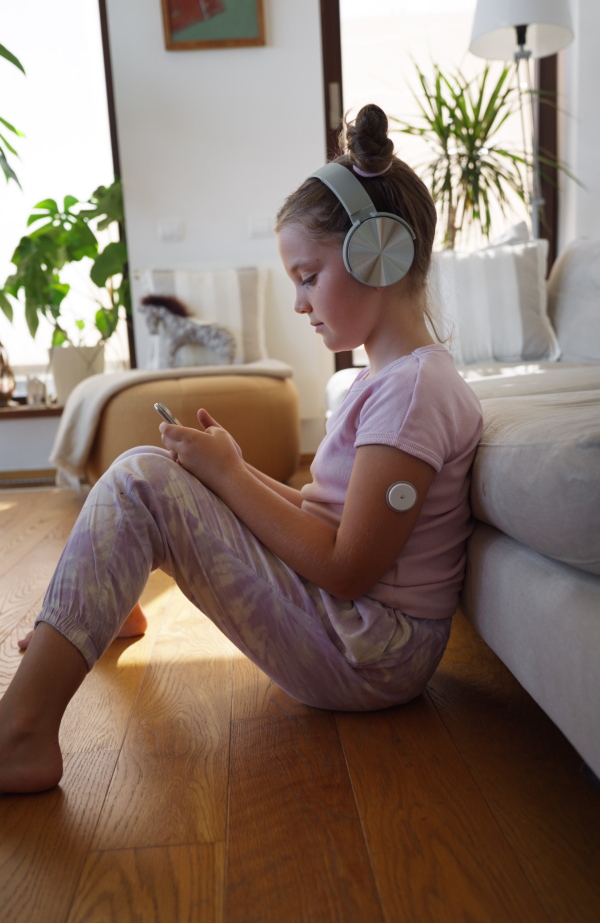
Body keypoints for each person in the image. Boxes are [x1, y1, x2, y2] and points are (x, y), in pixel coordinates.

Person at [0, 104, 483, 794]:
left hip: (371, 651)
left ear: (381, 255)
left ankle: (19, 733)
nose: (299, 302)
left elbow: (347, 568)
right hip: (354, 630)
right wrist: (229, 471)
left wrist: (229, 475)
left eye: (308, 276)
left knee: (142, 481)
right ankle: (104, 599)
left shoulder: (414, 396)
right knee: (167, 470)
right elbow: (325, 512)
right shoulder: (380, 384)